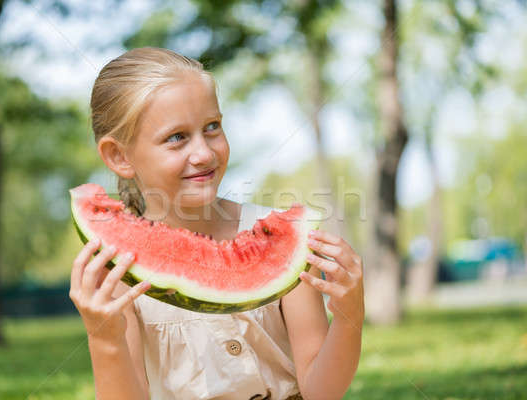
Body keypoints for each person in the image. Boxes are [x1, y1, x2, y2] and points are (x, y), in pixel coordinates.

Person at [69, 47, 364, 400]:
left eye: (212, 127)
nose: (205, 153)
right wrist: (105, 339)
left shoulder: (284, 246)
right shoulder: (118, 272)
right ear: (119, 156)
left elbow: (321, 392)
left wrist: (349, 315)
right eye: (176, 137)